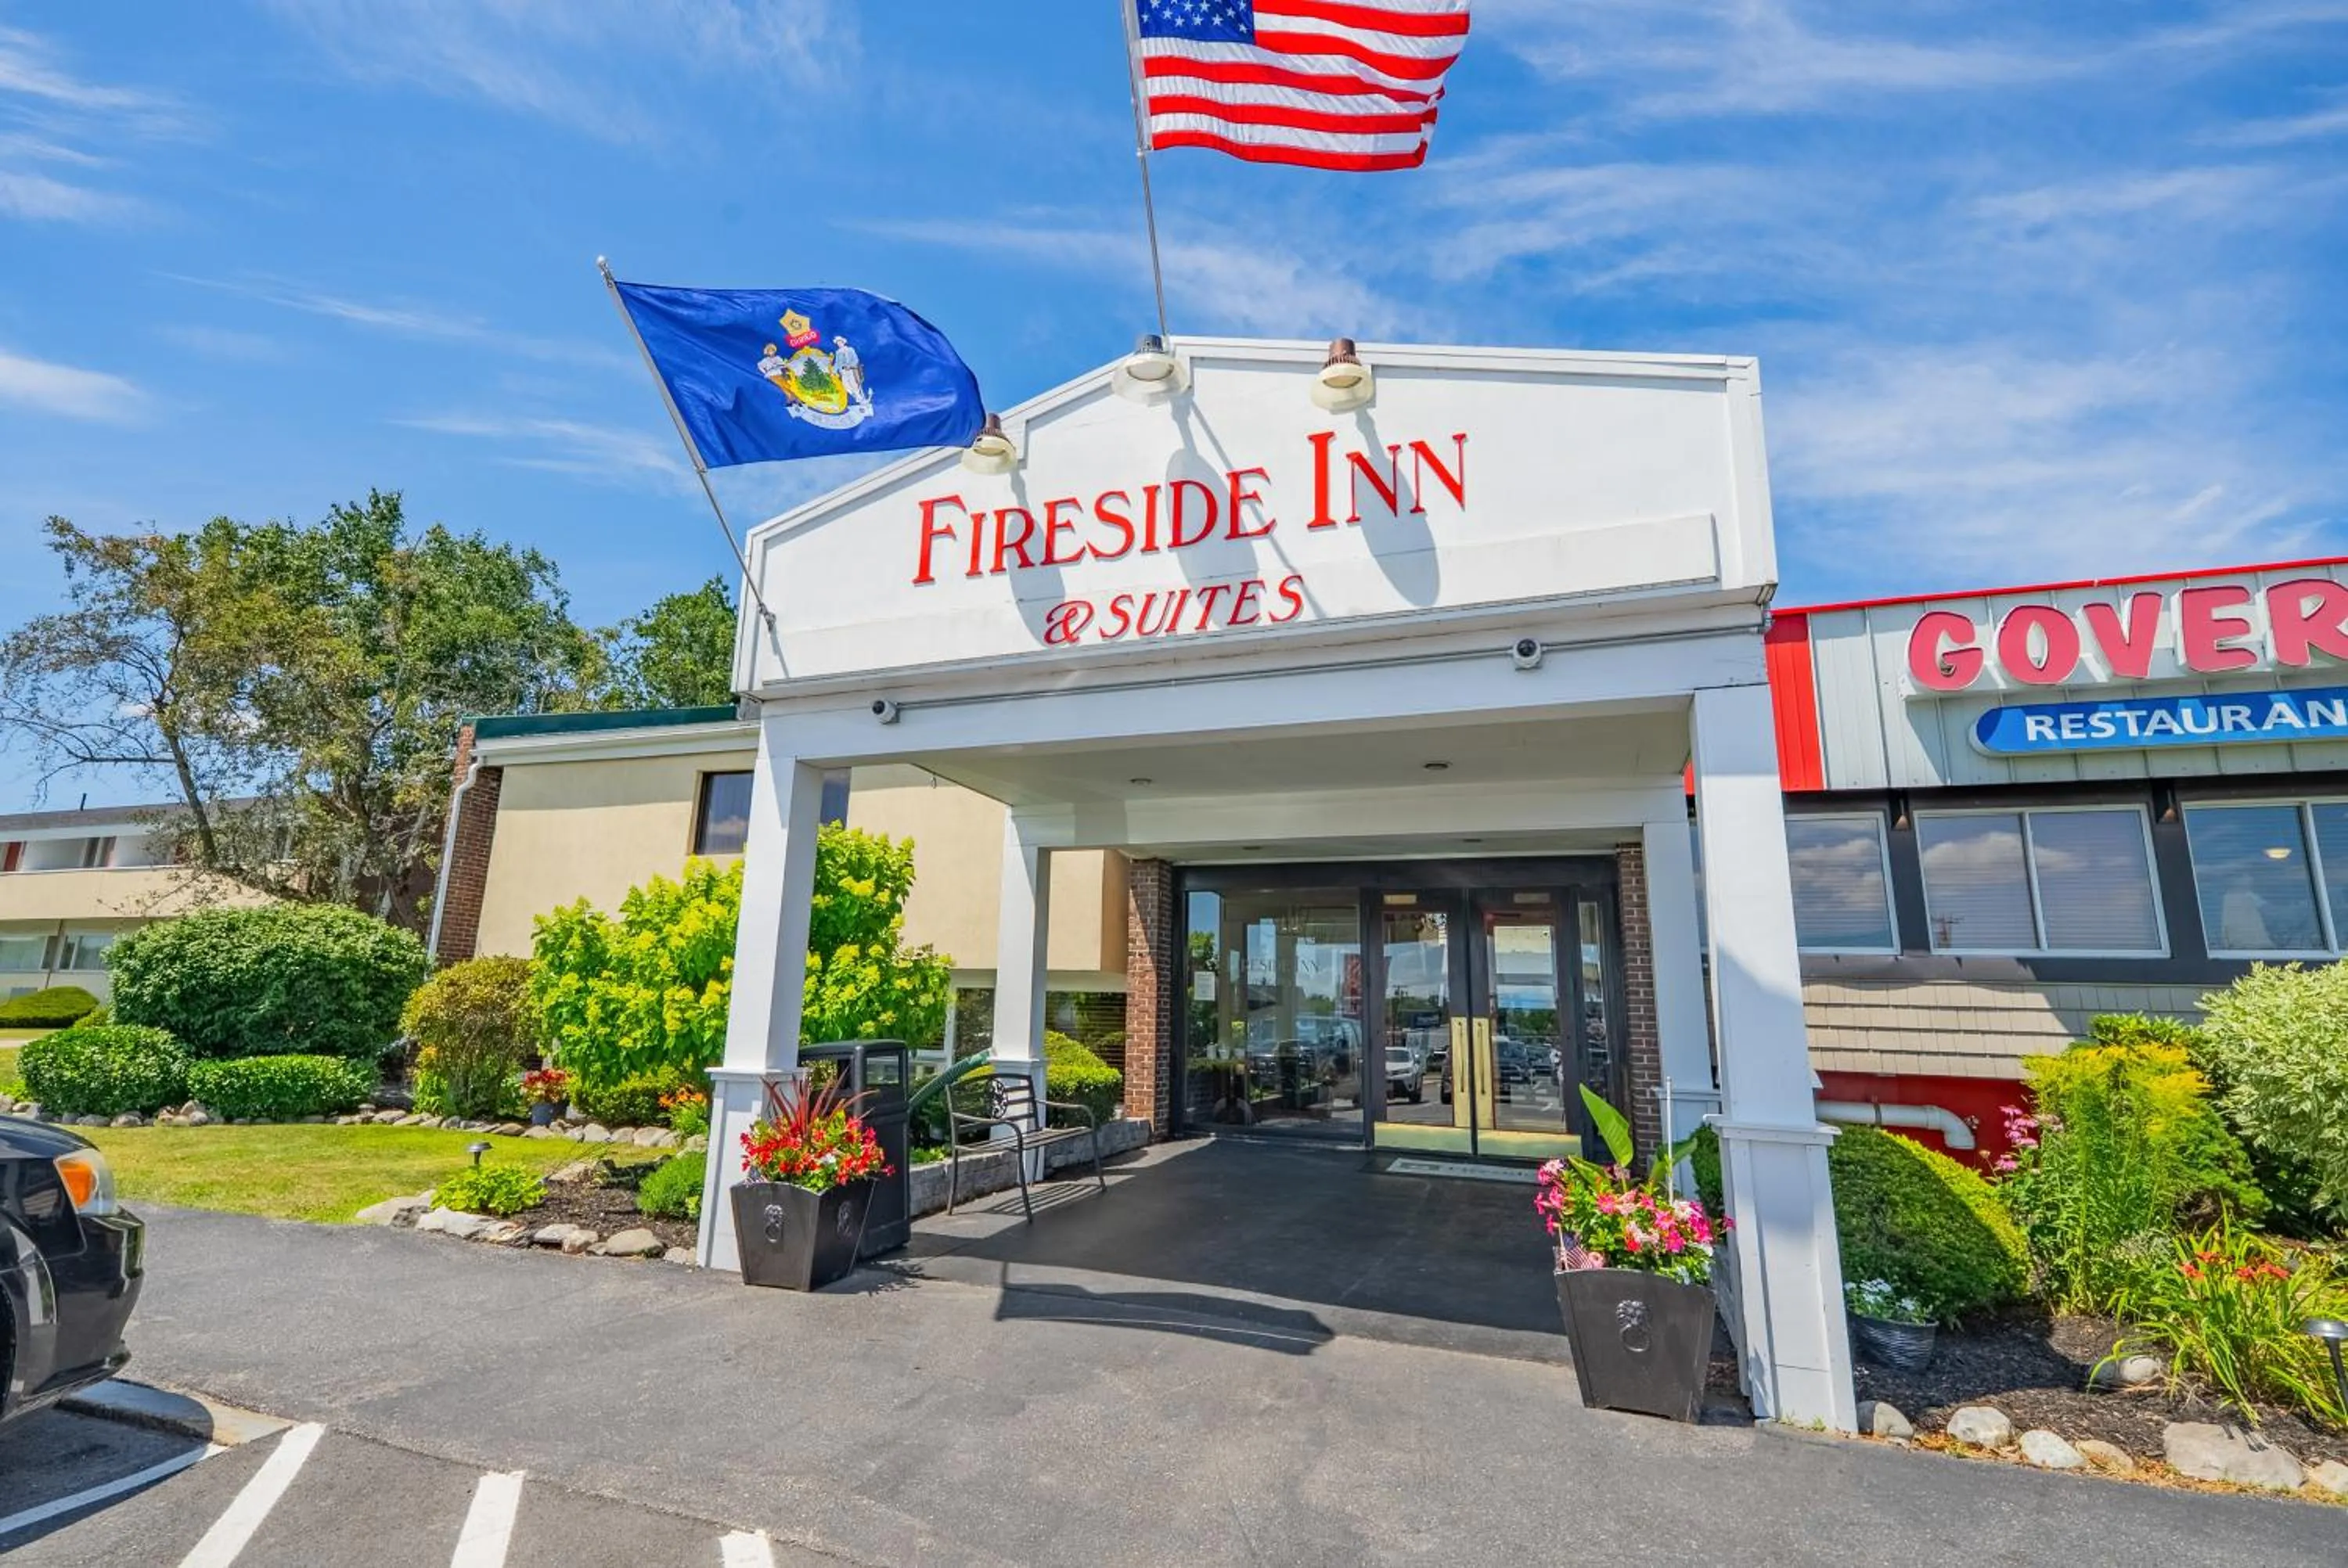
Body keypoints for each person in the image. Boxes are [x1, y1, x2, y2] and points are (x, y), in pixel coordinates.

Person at [831, 335, 868, 408]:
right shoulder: (838, 352)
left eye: (840, 342)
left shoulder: (850, 350)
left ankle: (861, 399)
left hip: (851, 370)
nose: (839, 344)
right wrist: (834, 371)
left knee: (854, 384)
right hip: (843, 371)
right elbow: (837, 363)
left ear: (843, 342)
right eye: (837, 343)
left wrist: (850, 365)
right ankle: (857, 397)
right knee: (846, 386)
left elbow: (855, 359)